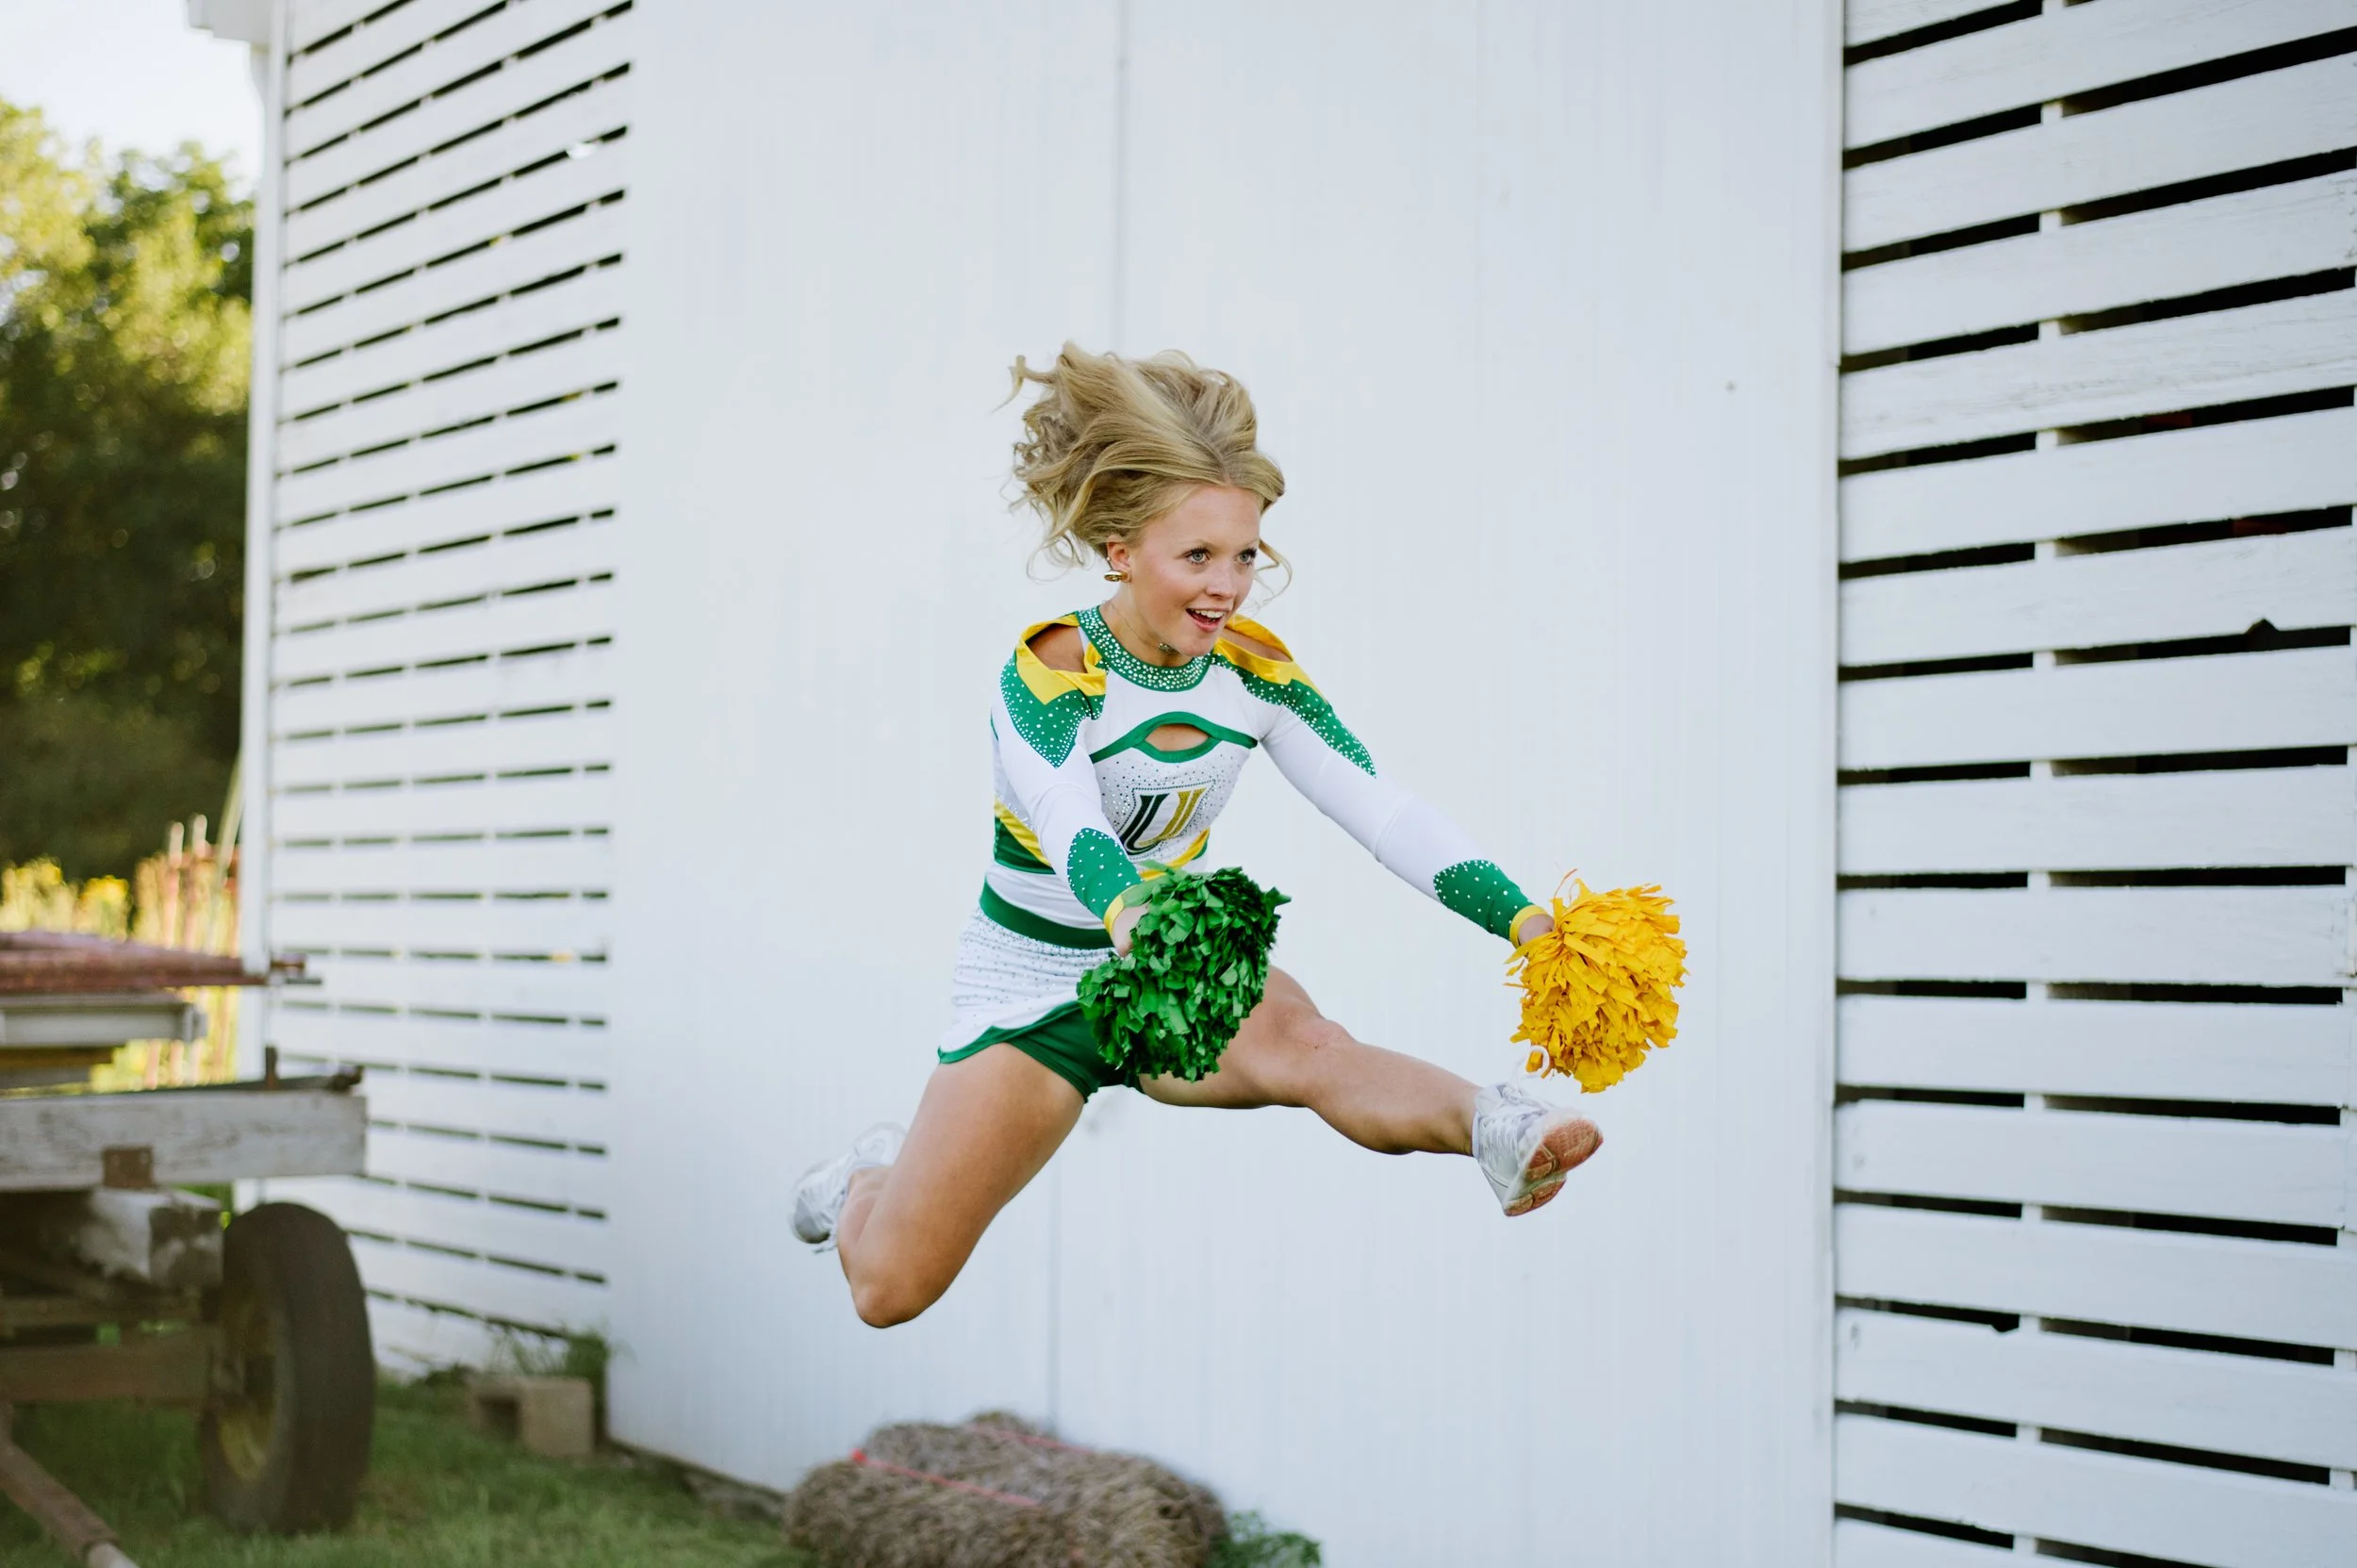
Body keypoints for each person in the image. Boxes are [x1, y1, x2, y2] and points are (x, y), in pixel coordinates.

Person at [794, 344, 1599, 1328]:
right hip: (1035, 986)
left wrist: (1526, 922)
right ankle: (862, 1185)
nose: (1227, 586)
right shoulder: (1048, 672)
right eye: (1197, 556)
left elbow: (1381, 811)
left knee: (1308, 1044)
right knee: (888, 1290)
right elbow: (1065, 819)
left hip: (1176, 966)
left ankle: (1500, 1124)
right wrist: (1128, 910)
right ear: (1121, 550)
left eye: (1245, 554)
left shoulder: (1255, 672)